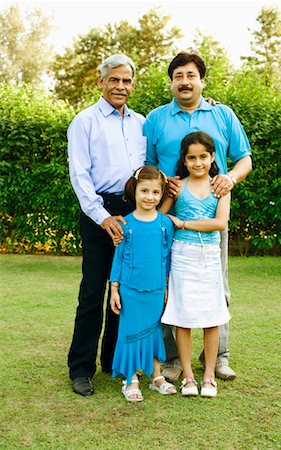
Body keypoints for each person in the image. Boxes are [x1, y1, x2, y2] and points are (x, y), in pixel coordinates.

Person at [144, 51, 252, 382]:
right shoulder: (156, 119)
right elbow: (145, 169)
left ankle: (219, 357)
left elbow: (245, 158)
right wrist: (163, 183)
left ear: (202, 80)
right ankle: (174, 360)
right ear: (172, 82)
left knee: (217, 286)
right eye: (178, 76)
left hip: (210, 216)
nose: (185, 81)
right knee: (170, 288)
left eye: (191, 75)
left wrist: (230, 178)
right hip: (167, 219)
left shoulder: (223, 115)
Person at [67, 53, 147, 396]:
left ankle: (113, 360)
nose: (120, 86)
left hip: (133, 211)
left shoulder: (141, 122)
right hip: (98, 211)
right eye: (113, 79)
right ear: (101, 82)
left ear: (132, 84)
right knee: (93, 291)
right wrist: (102, 217)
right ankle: (81, 368)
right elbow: (79, 176)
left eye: (126, 80)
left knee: (125, 291)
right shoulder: (84, 121)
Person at [160, 131, 231, 397]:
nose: (198, 163)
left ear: (212, 157)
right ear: (184, 159)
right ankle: (188, 377)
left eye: (203, 157)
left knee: (212, 317)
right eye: (192, 158)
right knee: (183, 317)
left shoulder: (220, 187)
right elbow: (160, 215)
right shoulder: (178, 188)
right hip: (182, 257)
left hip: (209, 256)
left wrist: (185, 223)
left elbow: (219, 223)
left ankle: (209, 376)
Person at [109, 166, 176, 402]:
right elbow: (118, 257)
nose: (150, 197)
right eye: (144, 191)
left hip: (156, 288)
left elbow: (167, 257)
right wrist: (114, 288)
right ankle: (130, 379)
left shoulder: (165, 224)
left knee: (153, 331)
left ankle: (156, 376)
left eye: (156, 192)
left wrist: (167, 285)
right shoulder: (125, 224)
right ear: (134, 191)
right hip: (130, 289)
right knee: (130, 332)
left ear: (162, 194)